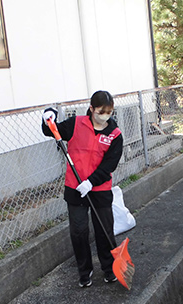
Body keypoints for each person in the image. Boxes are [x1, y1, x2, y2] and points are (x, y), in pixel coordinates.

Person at [41, 91, 123, 288]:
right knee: (79, 231)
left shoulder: (114, 134)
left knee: (104, 230)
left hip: (99, 188)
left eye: (109, 112)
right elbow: (51, 131)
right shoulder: (75, 124)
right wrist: (48, 116)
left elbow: (109, 165)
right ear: (92, 109)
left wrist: (91, 182)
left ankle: (110, 269)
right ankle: (85, 271)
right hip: (75, 187)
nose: (105, 116)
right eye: (101, 112)